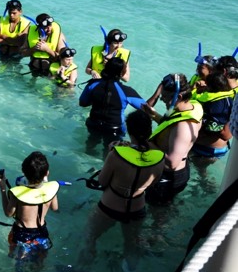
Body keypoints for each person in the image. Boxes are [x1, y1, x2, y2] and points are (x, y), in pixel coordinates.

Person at [77, 111, 164, 272]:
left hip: (110, 206)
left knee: (89, 236)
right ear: (149, 130)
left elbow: (102, 181)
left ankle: (82, 271)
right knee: (131, 243)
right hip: (137, 209)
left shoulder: (116, 154)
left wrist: (110, 152)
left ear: (129, 130)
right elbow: (153, 183)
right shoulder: (160, 157)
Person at [142, 74, 202, 205]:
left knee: (157, 212)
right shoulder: (192, 105)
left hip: (169, 177)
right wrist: (153, 114)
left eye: (165, 97)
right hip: (175, 172)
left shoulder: (184, 126)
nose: (163, 100)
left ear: (179, 97)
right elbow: (170, 126)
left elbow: (171, 163)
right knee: (163, 207)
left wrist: (146, 143)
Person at [0, 151, 59, 272]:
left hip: (21, 234)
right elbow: (55, 208)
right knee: (39, 264)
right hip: (41, 233)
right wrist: (46, 182)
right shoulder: (51, 189)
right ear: (47, 173)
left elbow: (8, 214)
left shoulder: (17, 194)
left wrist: (3, 188)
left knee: (19, 265)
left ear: (24, 173)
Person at [79, 57, 145, 155]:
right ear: (121, 74)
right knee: (110, 153)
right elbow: (145, 108)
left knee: (90, 146)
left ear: (105, 68)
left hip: (93, 124)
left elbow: (82, 103)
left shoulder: (93, 84)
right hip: (114, 129)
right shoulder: (126, 91)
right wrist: (158, 92)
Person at [191, 57, 237, 160]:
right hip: (216, 147)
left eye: (215, 71)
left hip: (207, 147)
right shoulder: (223, 92)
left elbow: (226, 134)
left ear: (224, 72)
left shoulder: (225, 98)